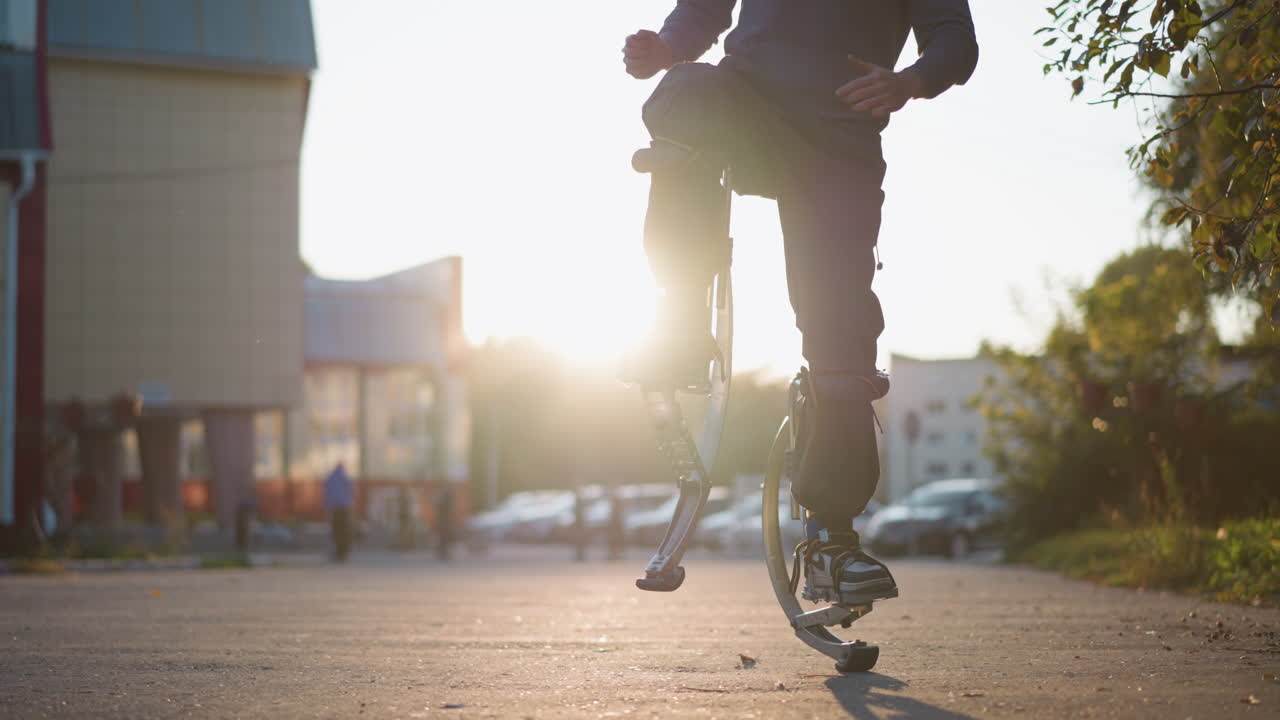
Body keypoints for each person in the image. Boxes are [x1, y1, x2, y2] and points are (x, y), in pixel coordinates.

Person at [620, 1, 977, 605]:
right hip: (747, 104)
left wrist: (911, 82)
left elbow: (954, 39)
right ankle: (679, 320)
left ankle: (834, 541)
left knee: (839, 328)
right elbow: (707, 6)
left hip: (838, 134)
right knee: (684, 90)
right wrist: (670, 44)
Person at [323, 461, 354, 562]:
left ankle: (336, 551)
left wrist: (327, 506)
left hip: (334, 507)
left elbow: (326, 491)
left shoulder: (330, 477)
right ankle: (343, 552)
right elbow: (352, 490)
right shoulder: (345, 476)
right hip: (344, 507)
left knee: (336, 530)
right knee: (344, 530)